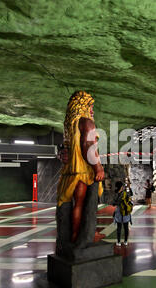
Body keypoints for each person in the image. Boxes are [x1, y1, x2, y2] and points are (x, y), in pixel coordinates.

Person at [56, 91, 104, 248]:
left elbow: (66, 150)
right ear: (83, 106)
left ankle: (74, 235)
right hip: (82, 172)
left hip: (69, 172)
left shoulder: (70, 126)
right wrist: (98, 167)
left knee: (76, 204)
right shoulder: (87, 122)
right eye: (90, 106)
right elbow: (88, 146)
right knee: (81, 204)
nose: (92, 110)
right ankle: (80, 236)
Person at [113, 181, 133, 246]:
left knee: (119, 227)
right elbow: (131, 194)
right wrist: (129, 188)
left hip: (118, 211)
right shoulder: (125, 193)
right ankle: (125, 241)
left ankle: (118, 242)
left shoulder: (115, 194)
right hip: (125, 211)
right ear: (121, 187)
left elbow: (113, 203)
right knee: (126, 227)